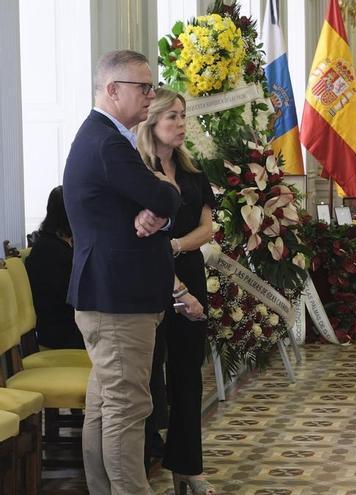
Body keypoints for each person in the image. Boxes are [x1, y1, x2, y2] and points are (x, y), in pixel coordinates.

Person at [63, 49, 202, 495]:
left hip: (111, 294)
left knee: (106, 407)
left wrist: (156, 208)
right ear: (112, 90)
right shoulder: (105, 140)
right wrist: (160, 201)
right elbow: (169, 197)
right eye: (143, 87)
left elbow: (158, 202)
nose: (151, 95)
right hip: (117, 299)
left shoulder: (106, 138)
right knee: (126, 409)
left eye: (152, 86)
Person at [138, 88, 216, 494]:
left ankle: (188, 466)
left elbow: (208, 227)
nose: (182, 125)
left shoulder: (192, 173)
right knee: (148, 376)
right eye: (173, 117)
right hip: (148, 282)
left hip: (189, 274)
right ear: (151, 122)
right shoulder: (136, 169)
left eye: (183, 116)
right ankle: (144, 461)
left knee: (188, 374)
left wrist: (175, 245)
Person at [25, 186, 84, 349]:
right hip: (61, 333)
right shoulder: (53, 252)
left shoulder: (49, 243)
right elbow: (73, 296)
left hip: (59, 327)